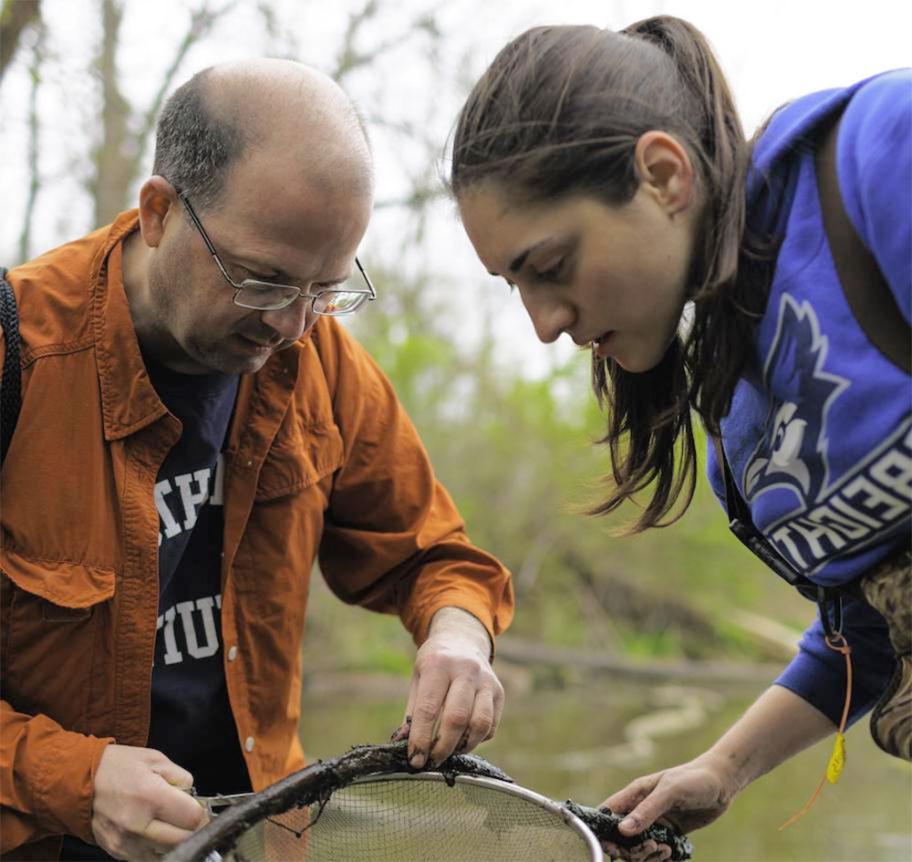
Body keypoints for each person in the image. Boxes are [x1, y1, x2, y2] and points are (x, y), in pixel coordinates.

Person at [0, 59, 514, 862]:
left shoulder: (319, 362)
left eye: (327, 287)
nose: (294, 325)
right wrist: (78, 779)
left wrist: (458, 637)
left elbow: (434, 556)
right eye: (263, 281)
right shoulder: (19, 357)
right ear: (160, 211)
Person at [449, 15, 910, 861]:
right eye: (512, 285)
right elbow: (866, 637)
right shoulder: (734, 413)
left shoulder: (885, 158)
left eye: (548, 267)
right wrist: (722, 770)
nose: (543, 324)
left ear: (664, 176)